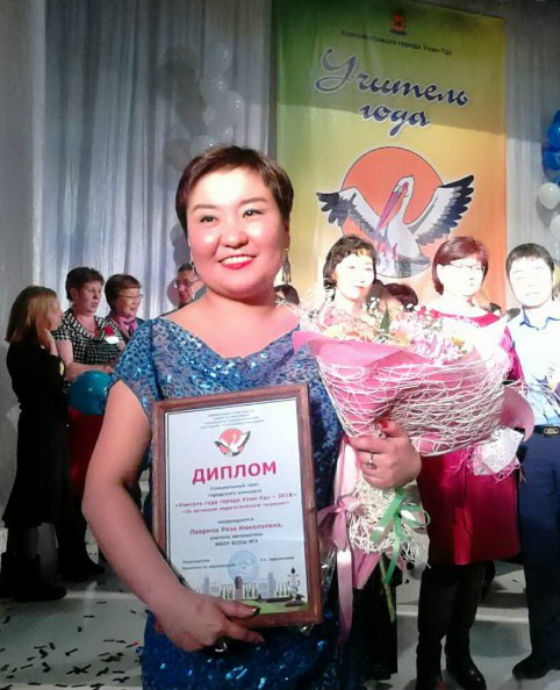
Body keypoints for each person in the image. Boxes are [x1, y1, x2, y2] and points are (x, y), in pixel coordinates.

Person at [83, 145, 421, 690]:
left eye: (251, 211)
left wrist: (402, 470)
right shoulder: (155, 346)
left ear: (285, 229)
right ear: (190, 239)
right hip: (193, 637)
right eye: (208, 218)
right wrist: (170, 602)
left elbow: (374, 470)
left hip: (315, 642)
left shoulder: (333, 341)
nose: (232, 234)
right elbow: (104, 489)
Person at [415, 236, 522, 690]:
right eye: (458, 267)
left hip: (487, 453)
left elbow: (513, 381)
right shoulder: (420, 321)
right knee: (446, 560)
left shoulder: (495, 325)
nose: (468, 276)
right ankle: (427, 663)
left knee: (478, 559)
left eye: (476, 269)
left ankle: (460, 652)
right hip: (441, 456)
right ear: (440, 271)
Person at [321, 233, 401, 684]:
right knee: (339, 551)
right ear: (332, 271)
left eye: (367, 267)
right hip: (335, 453)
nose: (360, 274)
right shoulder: (316, 322)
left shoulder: (383, 323)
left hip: (377, 448)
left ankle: (372, 658)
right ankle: (338, 657)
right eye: (350, 265)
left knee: (379, 547)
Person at [506, 243, 560, 680]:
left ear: (553, 274)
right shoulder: (505, 334)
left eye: (536, 272)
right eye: (519, 275)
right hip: (533, 448)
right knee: (540, 553)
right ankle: (545, 649)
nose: (528, 282)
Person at [53, 267, 124, 579]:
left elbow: (123, 353)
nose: (97, 297)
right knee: (78, 483)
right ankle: (72, 554)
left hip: (108, 412)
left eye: (99, 291)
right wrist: (105, 368)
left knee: (106, 482)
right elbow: (69, 368)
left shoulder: (105, 325)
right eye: (90, 291)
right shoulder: (64, 324)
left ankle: (111, 551)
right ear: (73, 293)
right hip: (78, 415)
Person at [0, 287, 68, 601]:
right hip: (41, 430)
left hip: (46, 428)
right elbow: (52, 386)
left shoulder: (29, 350)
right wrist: (53, 350)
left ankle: (16, 574)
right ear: (38, 315)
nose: (60, 314)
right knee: (32, 498)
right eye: (54, 308)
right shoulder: (26, 352)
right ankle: (25, 578)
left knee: (30, 498)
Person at [105, 274, 145, 342]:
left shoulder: (143, 325)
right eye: (131, 296)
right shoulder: (106, 328)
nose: (136, 301)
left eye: (138, 296)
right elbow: (116, 348)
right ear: (113, 299)